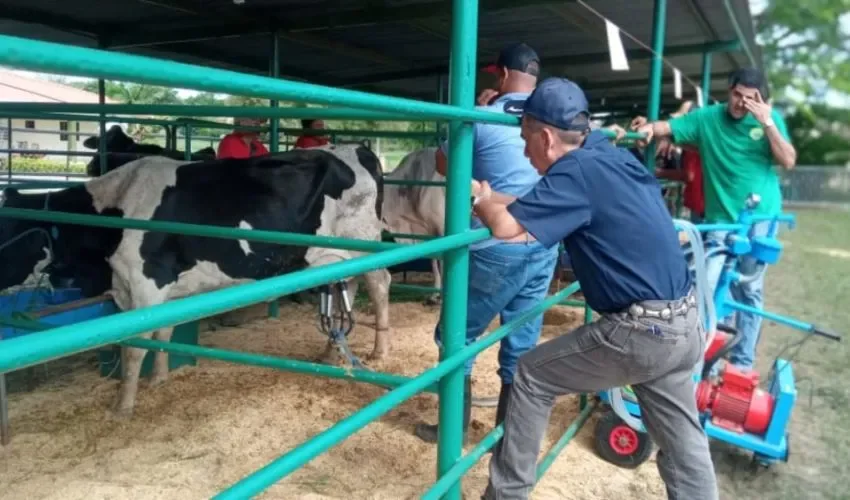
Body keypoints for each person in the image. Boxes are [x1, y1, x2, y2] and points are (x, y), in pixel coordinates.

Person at [472, 76, 717, 500]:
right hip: (683, 325)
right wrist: (496, 198)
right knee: (685, 451)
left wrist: (480, 201)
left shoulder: (574, 172)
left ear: (546, 137)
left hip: (641, 333)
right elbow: (537, 205)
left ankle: (504, 495)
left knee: (531, 374)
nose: (524, 148)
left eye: (524, 136)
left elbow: (506, 227)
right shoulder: (603, 153)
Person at [413, 42, 561, 444]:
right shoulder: (553, 120)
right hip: (545, 243)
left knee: (456, 338)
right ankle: (508, 437)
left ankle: (451, 434)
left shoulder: (484, 116)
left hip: (496, 245)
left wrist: (476, 114)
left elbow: (445, 164)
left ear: (500, 75)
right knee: (521, 343)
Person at [632, 67, 797, 371]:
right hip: (722, 219)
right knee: (707, 284)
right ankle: (702, 360)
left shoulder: (768, 122)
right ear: (729, 91)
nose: (740, 103)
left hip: (759, 219)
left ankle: (742, 362)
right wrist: (647, 128)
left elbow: (788, 160)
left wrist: (768, 122)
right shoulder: (708, 117)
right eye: (737, 95)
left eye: (749, 99)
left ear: (760, 99)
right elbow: (668, 126)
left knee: (748, 289)